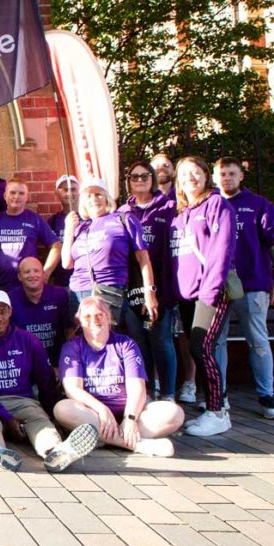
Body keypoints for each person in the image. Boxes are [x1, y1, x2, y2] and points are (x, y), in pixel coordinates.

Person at [0, 290, 98, 473]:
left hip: (21, 401)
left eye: (2, 311)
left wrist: (51, 413)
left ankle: (56, 451)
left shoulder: (28, 340)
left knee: (38, 419)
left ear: (10, 311)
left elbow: (45, 380)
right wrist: (7, 418)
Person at [54, 296, 184, 457]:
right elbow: (73, 390)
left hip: (130, 413)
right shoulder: (72, 347)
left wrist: (130, 419)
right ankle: (137, 444)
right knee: (62, 409)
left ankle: (103, 438)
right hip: (93, 414)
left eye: (99, 315)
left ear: (109, 317)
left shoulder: (126, 344)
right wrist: (102, 409)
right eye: (87, 317)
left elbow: (137, 387)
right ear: (79, 321)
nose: (94, 320)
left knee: (175, 413)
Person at [170, 155, 237, 436]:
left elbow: (221, 250)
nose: (190, 178)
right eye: (184, 174)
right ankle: (211, 406)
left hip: (211, 293)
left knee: (201, 347)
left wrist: (209, 291)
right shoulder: (181, 214)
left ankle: (218, 412)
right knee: (196, 349)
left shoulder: (216, 204)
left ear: (206, 175)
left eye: (195, 172)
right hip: (187, 295)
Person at [211, 157, 274, 418]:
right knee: (217, 342)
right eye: (222, 174)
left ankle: (267, 395)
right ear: (214, 178)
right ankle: (220, 395)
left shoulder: (259, 205)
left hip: (253, 285)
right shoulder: (209, 205)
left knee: (258, 340)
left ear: (241, 176)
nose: (227, 178)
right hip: (217, 288)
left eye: (231, 173)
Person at [117, 161, 178, 400]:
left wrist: (152, 291)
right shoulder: (122, 212)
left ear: (152, 178)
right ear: (128, 181)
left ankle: (168, 394)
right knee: (138, 342)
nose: (140, 180)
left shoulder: (169, 207)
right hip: (131, 286)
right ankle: (148, 392)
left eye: (145, 176)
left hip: (160, 285)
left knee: (161, 340)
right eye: (134, 176)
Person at [61, 179, 159, 327]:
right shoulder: (80, 227)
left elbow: (143, 258)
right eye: (88, 196)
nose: (94, 199)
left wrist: (149, 293)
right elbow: (66, 263)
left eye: (98, 194)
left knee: (108, 341)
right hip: (78, 293)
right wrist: (69, 231)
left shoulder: (123, 219)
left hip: (109, 291)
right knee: (82, 344)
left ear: (107, 198)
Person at [0, 180, 61, 290]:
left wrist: (46, 273)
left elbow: (56, 246)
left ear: (27, 197)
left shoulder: (35, 220)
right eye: (12, 192)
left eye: (21, 193)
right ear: (5, 195)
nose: (17, 196)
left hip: (27, 288)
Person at [8, 256, 75, 368]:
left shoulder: (59, 295)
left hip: (57, 362)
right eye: (27, 272)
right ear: (19, 276)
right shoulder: (10, 299)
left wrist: (66, 362)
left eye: (36, 271)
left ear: (43, 274)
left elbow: (69, 331)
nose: (32, 275)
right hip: (24, 364)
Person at [47, 175, 79, 287]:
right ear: (57, 193)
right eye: (65, 190)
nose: (69, 193)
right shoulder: (53, 221)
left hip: (84, 281)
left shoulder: (88, 218)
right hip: (61, 283)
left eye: (73, 189)